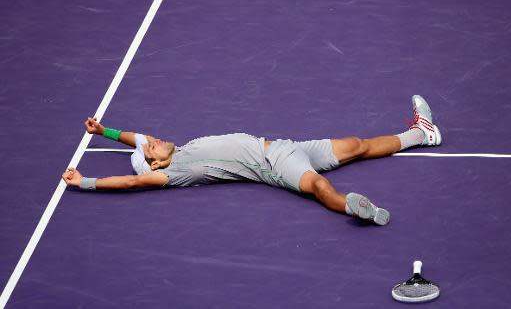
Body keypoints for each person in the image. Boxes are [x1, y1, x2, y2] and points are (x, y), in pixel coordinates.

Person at [62, 95, 441, 226]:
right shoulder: (174, 172)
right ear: (156, 167)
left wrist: (104, 132)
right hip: (275, 165)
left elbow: (139, 139)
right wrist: (84, 182)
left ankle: (423, 134)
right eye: (151, 150)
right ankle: (353, 208)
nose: (153, 140)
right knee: (319, 186)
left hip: (289, 145)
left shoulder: (174, 150)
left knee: (356, 144)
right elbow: (130, 181)